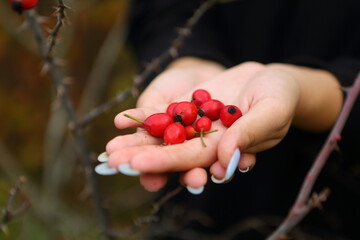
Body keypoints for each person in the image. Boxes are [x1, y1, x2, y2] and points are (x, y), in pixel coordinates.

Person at [99, 0, 360, 239]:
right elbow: (161, 8)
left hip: (328, 213)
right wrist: (187, 59)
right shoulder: (193, 114)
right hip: (188, 218)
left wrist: (308, 92)